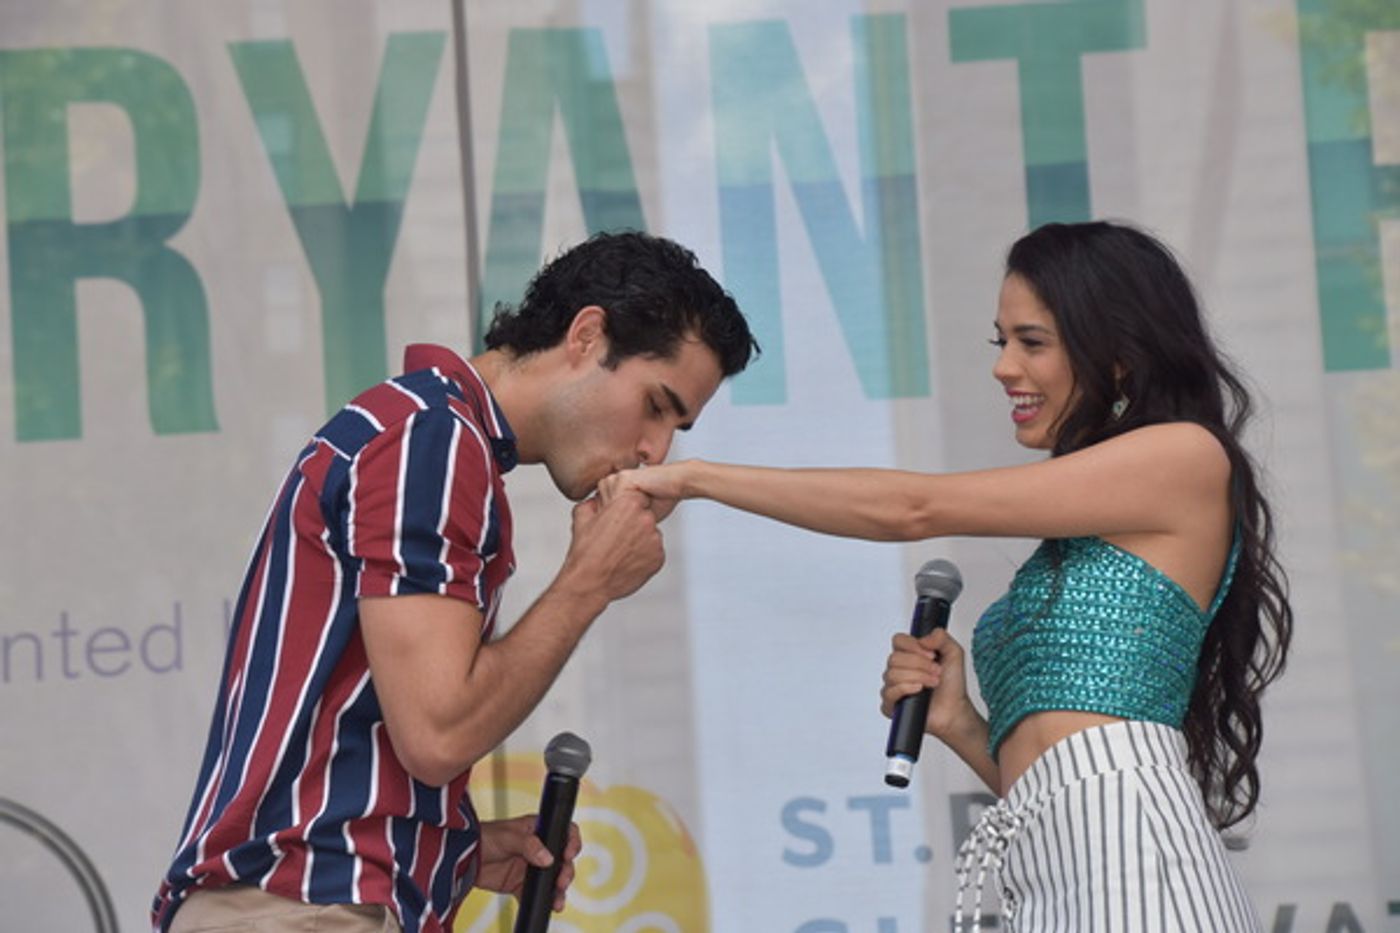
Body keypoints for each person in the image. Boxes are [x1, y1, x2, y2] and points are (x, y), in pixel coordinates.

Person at [600, 221, 1292, 931]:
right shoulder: (1087, 524)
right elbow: (1050, 774)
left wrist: (694, 478)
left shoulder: (1185, 457)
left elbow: (914, 507)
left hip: (1140, 870)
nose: (1004, 367)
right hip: (1051, 873)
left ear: (1117, 354)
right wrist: (960, 724)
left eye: (1032, 341)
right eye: (1003, 342)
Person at [152, 231, 758, 933]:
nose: (657, 450)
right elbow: (438, 732)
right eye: (656, 405)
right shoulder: (431, 440)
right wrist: (589, 581)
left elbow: (359, 724)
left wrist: (451, 852)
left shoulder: (432, 434)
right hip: (301, 907)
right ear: (587, 335)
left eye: (676, 426)